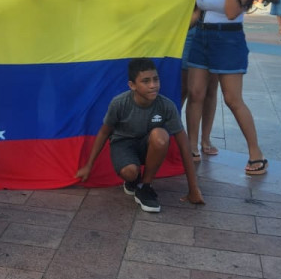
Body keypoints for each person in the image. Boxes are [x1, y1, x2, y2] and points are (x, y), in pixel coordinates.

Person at [76, 58, 203, 212]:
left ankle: (145, 186)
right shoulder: (119, 103)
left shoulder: (166, 106)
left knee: (161, 135)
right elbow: (104, 132)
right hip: (123, 145)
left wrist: (193, 189)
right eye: (146, 81)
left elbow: (184, 145)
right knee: (130, 172)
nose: (153, 85)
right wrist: (89, 165)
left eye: (156, 79)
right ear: (132, 85)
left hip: (147, 146)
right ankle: (133, 180)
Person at [186, 0, 267, 175]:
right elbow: (198, 10)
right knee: (196, 93)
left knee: (232, 99)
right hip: (202, 37)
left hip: (228, 39)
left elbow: (231, 12)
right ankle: (192, 146)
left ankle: (256, 153)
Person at [173, 0, 220, 160]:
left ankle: (205, 139)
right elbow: (175, 4)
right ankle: (181, 137)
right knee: (186, 89)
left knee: (211, 90)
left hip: (214, 34)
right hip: (189, 33)